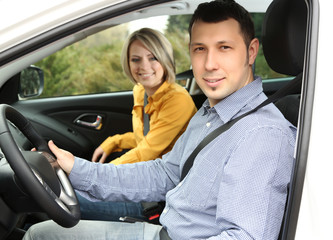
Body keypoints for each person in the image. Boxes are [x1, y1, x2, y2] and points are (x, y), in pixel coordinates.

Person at [23, 0, 297, 239]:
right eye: (200, 49)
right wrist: (76, 168)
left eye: (224, 47)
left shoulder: (261, 133)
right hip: (163, 230)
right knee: (40, 233)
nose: (210, 63)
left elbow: (244, 237)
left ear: (251, 52)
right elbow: (166, 173)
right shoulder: (210, 112)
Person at [76, 28, 197, 222]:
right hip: (141, 176)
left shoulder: (178, 100)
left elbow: (146, 152)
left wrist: (97, 176)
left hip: (159, 195)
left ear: (165, 59)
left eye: (153, 58)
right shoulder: (140, 90)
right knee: (68, 194)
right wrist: (113, 142)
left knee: (73, 199)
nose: (144, 66)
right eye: (136, 59)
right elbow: (145, 138)